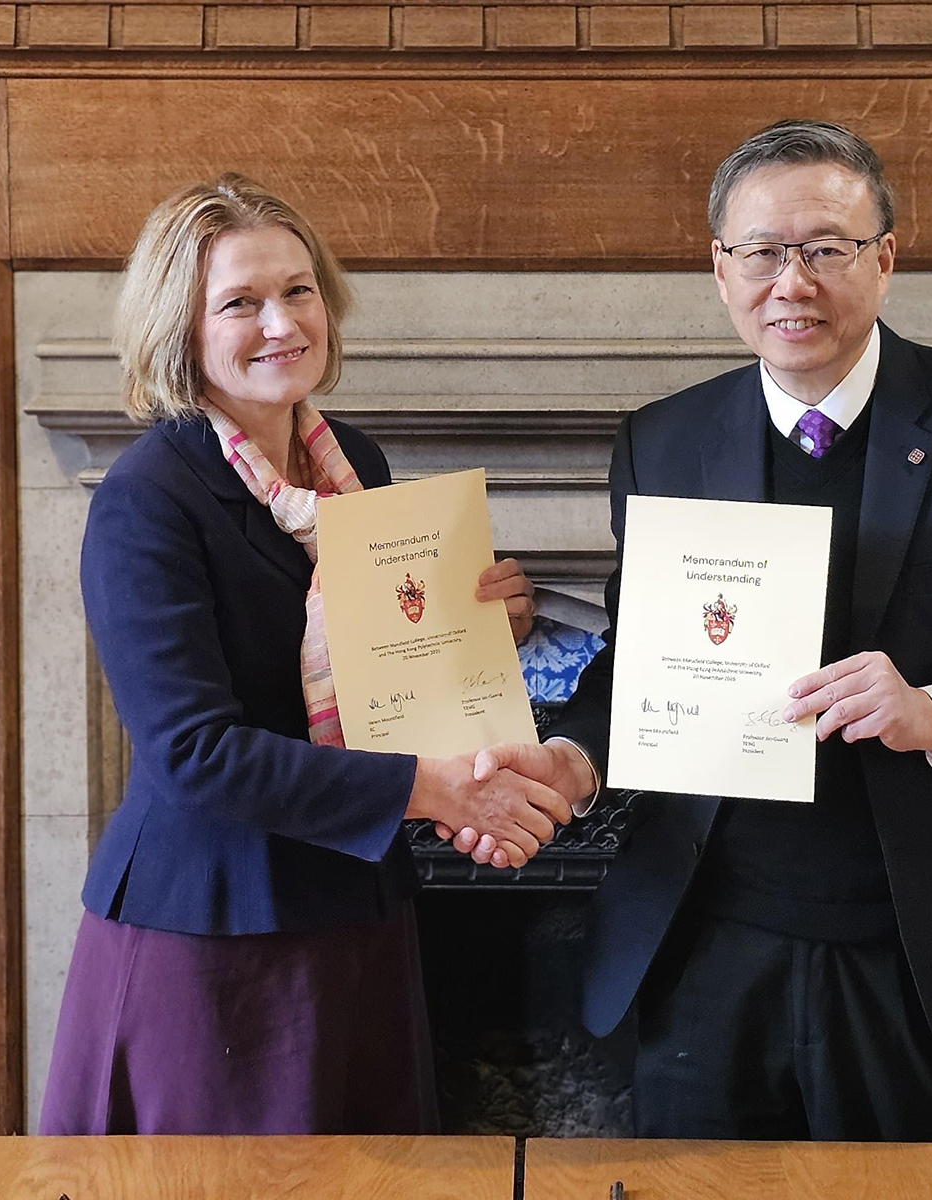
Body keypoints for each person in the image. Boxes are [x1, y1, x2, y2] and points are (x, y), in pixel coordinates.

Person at [478, 120, 932, 1140]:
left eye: (824, 248)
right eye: (760, 252)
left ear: (883, 259)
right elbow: (647, 657)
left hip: (914, 946)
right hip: (702, 940)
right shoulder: (661, 440)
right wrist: (574, 752)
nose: (789, 281)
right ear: (719, 269)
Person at [39, 174, 573, 1137]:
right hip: (212, 932)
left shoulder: (352, 464)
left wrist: (488, 625)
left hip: (355, 911)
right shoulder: (147, 498)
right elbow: (193, 753)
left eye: (299, 291)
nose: (282, 322)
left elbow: (383, 670)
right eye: (240, 302)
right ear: (180, 330)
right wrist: (441, 791)